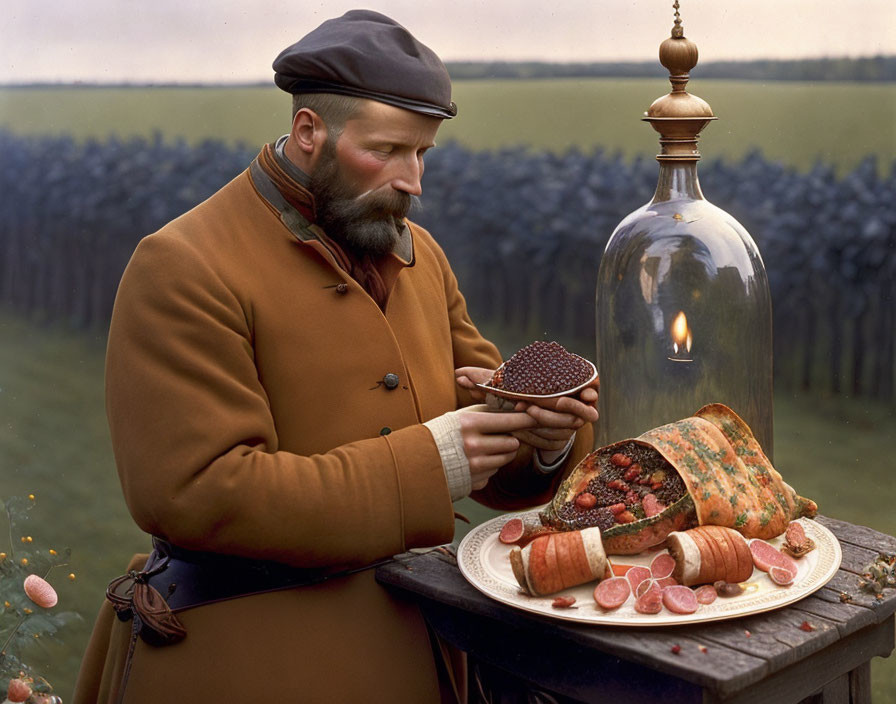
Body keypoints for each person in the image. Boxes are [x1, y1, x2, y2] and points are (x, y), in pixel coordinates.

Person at [72, 10, 598, 704]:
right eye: (386, 150)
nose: (413, 181)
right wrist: (435, 460)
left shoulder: (420, 254)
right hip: (248, 661)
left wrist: (543, 440)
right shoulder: (182, 266)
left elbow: (485, 419)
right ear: (309, 133)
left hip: (422, 650)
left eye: (422, 154)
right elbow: (199, 492)